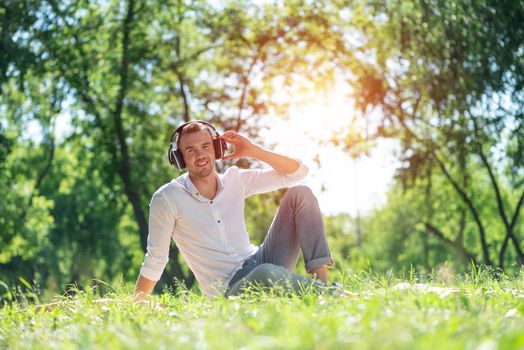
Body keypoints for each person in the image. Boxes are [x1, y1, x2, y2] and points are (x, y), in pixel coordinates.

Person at [134, 120, 335, 303]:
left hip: (260, 259)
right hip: (228, 290)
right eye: (191, 150)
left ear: (216, 149)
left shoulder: (235, 180)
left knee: (301, 194)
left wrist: (253, 150)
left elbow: (298, 173)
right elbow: (156, 257)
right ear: (180, 159)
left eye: (205, 147)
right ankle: (333, 295)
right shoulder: (167, 198)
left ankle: (322, 287)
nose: (200, 155)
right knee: (264, 273)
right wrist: (138, 301)